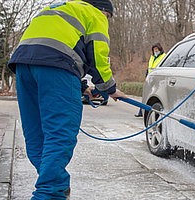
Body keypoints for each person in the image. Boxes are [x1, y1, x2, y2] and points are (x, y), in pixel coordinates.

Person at [7, 1, 127, 199]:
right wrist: (110, 89)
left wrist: (83, 87)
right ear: (104, 11)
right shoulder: (95, 13)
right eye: (108, 18)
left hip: (23, 65)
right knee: (59, 133)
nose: (106, 22)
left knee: (36, 134)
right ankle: (49, 193)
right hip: (57, 68)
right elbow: (97, 57)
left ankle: (57, 184)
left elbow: (50, 50)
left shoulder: (58, 8)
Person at [135, 43, 166, 117]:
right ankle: (141, 112)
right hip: (150, 78)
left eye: (156, 49)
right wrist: (146, 77)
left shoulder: (163, 57)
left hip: (158, 79)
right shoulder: (152, 57)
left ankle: (153, 113)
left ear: (160, 49)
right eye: (154, 49)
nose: (155, 51)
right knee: (146, 96)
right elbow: (149, 68)